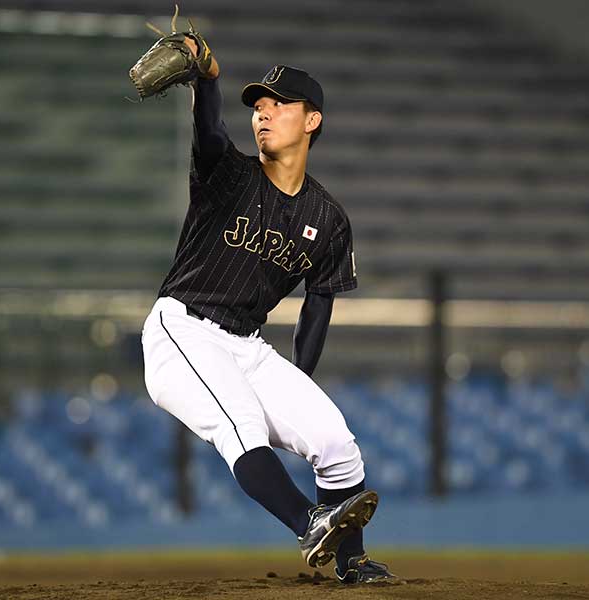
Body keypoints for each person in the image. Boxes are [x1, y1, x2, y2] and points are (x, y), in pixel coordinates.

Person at [140, 35, 398, 584]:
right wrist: (208, 80)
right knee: (243, 429)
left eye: (279, 105)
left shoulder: (326, 218)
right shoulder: (227, 174)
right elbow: (210, 134)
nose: (263, 113)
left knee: (335, 442)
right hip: (182, 330)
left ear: (312, 121)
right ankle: (310, 523)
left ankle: (353, 564)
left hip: (247, 347)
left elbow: (318, 303)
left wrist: (298, 385)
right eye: (258, 106)